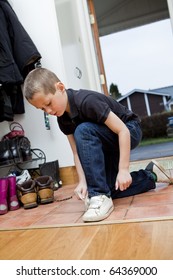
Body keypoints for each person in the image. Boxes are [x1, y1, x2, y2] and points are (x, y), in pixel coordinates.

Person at [23, 68, 173, 222]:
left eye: (48, 103)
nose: (48, 111)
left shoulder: (87, 101)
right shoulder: (63, 119)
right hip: (106, 140)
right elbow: (76, 152)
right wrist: (82, 181)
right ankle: (151, 174)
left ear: (60, 88)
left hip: (129, 130)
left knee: (83, 130)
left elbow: (122, 131)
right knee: (110, 188)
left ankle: (99, 196)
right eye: (42, 109)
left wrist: (123, 170)